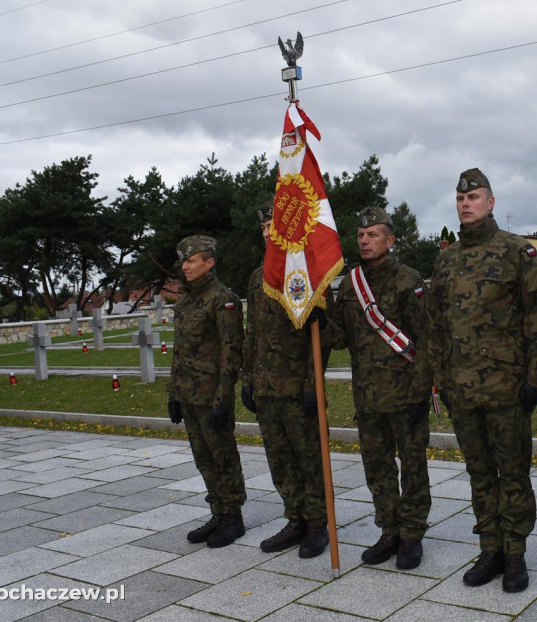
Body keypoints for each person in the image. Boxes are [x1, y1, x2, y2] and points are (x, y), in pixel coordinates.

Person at [427, 168, 537, 593]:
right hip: (462, 391)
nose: (466, 203)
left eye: (475, 197)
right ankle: (490, 548)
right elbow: (435, 325)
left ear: (491, 202)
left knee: (513, 472)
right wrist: (441, 377)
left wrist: (536, 379)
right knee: (479, 473)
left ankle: (515, 552)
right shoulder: (446, 260)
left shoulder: (518, 253)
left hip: (507, 389)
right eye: (461, 198)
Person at [327, 206, 432, 570]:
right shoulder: (350, 282)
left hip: (405, 396)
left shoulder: (408, 279)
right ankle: (390, 530)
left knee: (413, 467)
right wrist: (319, 313)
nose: (365, 240)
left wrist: (421, 392)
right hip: (368, 397)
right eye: (360, 235)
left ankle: (413, 535)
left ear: (390, 240)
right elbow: (339, 338)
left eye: (372, 235)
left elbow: (426, 339)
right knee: (377, 468)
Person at [241, 201, 329, 559]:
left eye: (272, 227)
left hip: (297, 389)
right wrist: (248, 380)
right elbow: (252, 334)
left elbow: (323, 338)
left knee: (309, 458)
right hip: (266, 389)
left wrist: (312, 385)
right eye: (263, 228)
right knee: (280, 459)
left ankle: (319, 524)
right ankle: (296, 518)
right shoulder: (256, 276)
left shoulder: (308, 272)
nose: (266, 233)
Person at [168, 235, 246, 548]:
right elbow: (179, 351)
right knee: (203, 458)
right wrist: (173, 392)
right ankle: (218, 511)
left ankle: (233, 517)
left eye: (191, 260)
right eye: (183, 261)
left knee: (222, 456)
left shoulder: (222, 298)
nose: (185, 266)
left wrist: (223, 399)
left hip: (211, 395)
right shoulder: (185, 301)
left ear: (209, 262)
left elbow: (232, 350)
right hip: (188, 394)